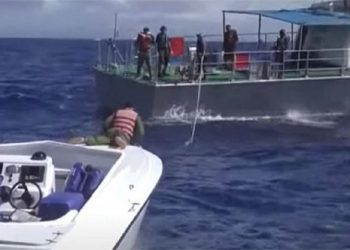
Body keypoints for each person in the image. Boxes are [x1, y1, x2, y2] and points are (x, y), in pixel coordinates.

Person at [68, 103, 144, 149]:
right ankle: (119, 141)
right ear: (132, 109)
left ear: (124, 107)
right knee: (122, 142)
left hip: (112, 130)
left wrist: (106, 131)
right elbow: (141, 132)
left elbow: (107, 122)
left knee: (104, 140)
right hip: (123, 133)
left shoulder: (117, 112)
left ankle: (84, 139)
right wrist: (135, 139)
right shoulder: (136, 115)